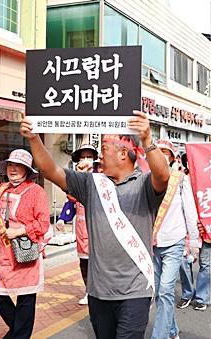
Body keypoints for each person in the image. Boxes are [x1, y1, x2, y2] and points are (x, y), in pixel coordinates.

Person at [19, 111, 170, 339]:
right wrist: (33, 138)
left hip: (135, 291)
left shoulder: (144, 185)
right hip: (99, 291)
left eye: (104, 149)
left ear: (123, 154)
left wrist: (148, 139)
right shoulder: (91, 183)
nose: (99, 156)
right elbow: (51, 170)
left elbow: (163, 175)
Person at [0, 149, 51, 339]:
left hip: (24, 253)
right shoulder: (0, 189)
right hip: (1, 254)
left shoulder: (36, 192)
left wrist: (18, 231)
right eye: (10, 165)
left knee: (26, 300)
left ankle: (19, 335)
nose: (13, 169)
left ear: (27, 170)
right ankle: (18, 330)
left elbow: (43, 224)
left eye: (18, 166)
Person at [150, 140, 200, 339]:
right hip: (153, 244)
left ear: (172, 157)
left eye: (166, 153)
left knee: (165, 290)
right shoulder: (149, 178)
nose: (162, 156)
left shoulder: (180, 180)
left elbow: (189, 210)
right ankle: (171, 330)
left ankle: (159, 336)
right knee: (157, 292)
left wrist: (194, 241)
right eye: (158, 152)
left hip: (174, 241)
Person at [177, 152, 211, 312]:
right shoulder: (180, 180)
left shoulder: (210, 180)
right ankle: (187, 294)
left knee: (205, 264)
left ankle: (202, 297)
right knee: (184, 263)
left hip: (205, 229)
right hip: (184, 228)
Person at [71, 144, 99, 306]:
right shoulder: (76, 177)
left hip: (98, 229)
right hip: (82, 230)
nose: (86, 160)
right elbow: (70, 199)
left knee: (99, 262)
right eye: (83, 157)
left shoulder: (102, 176)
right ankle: (89, 291)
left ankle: (98, 290)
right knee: (84, 262)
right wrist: (62, 219)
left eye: (89, 156)